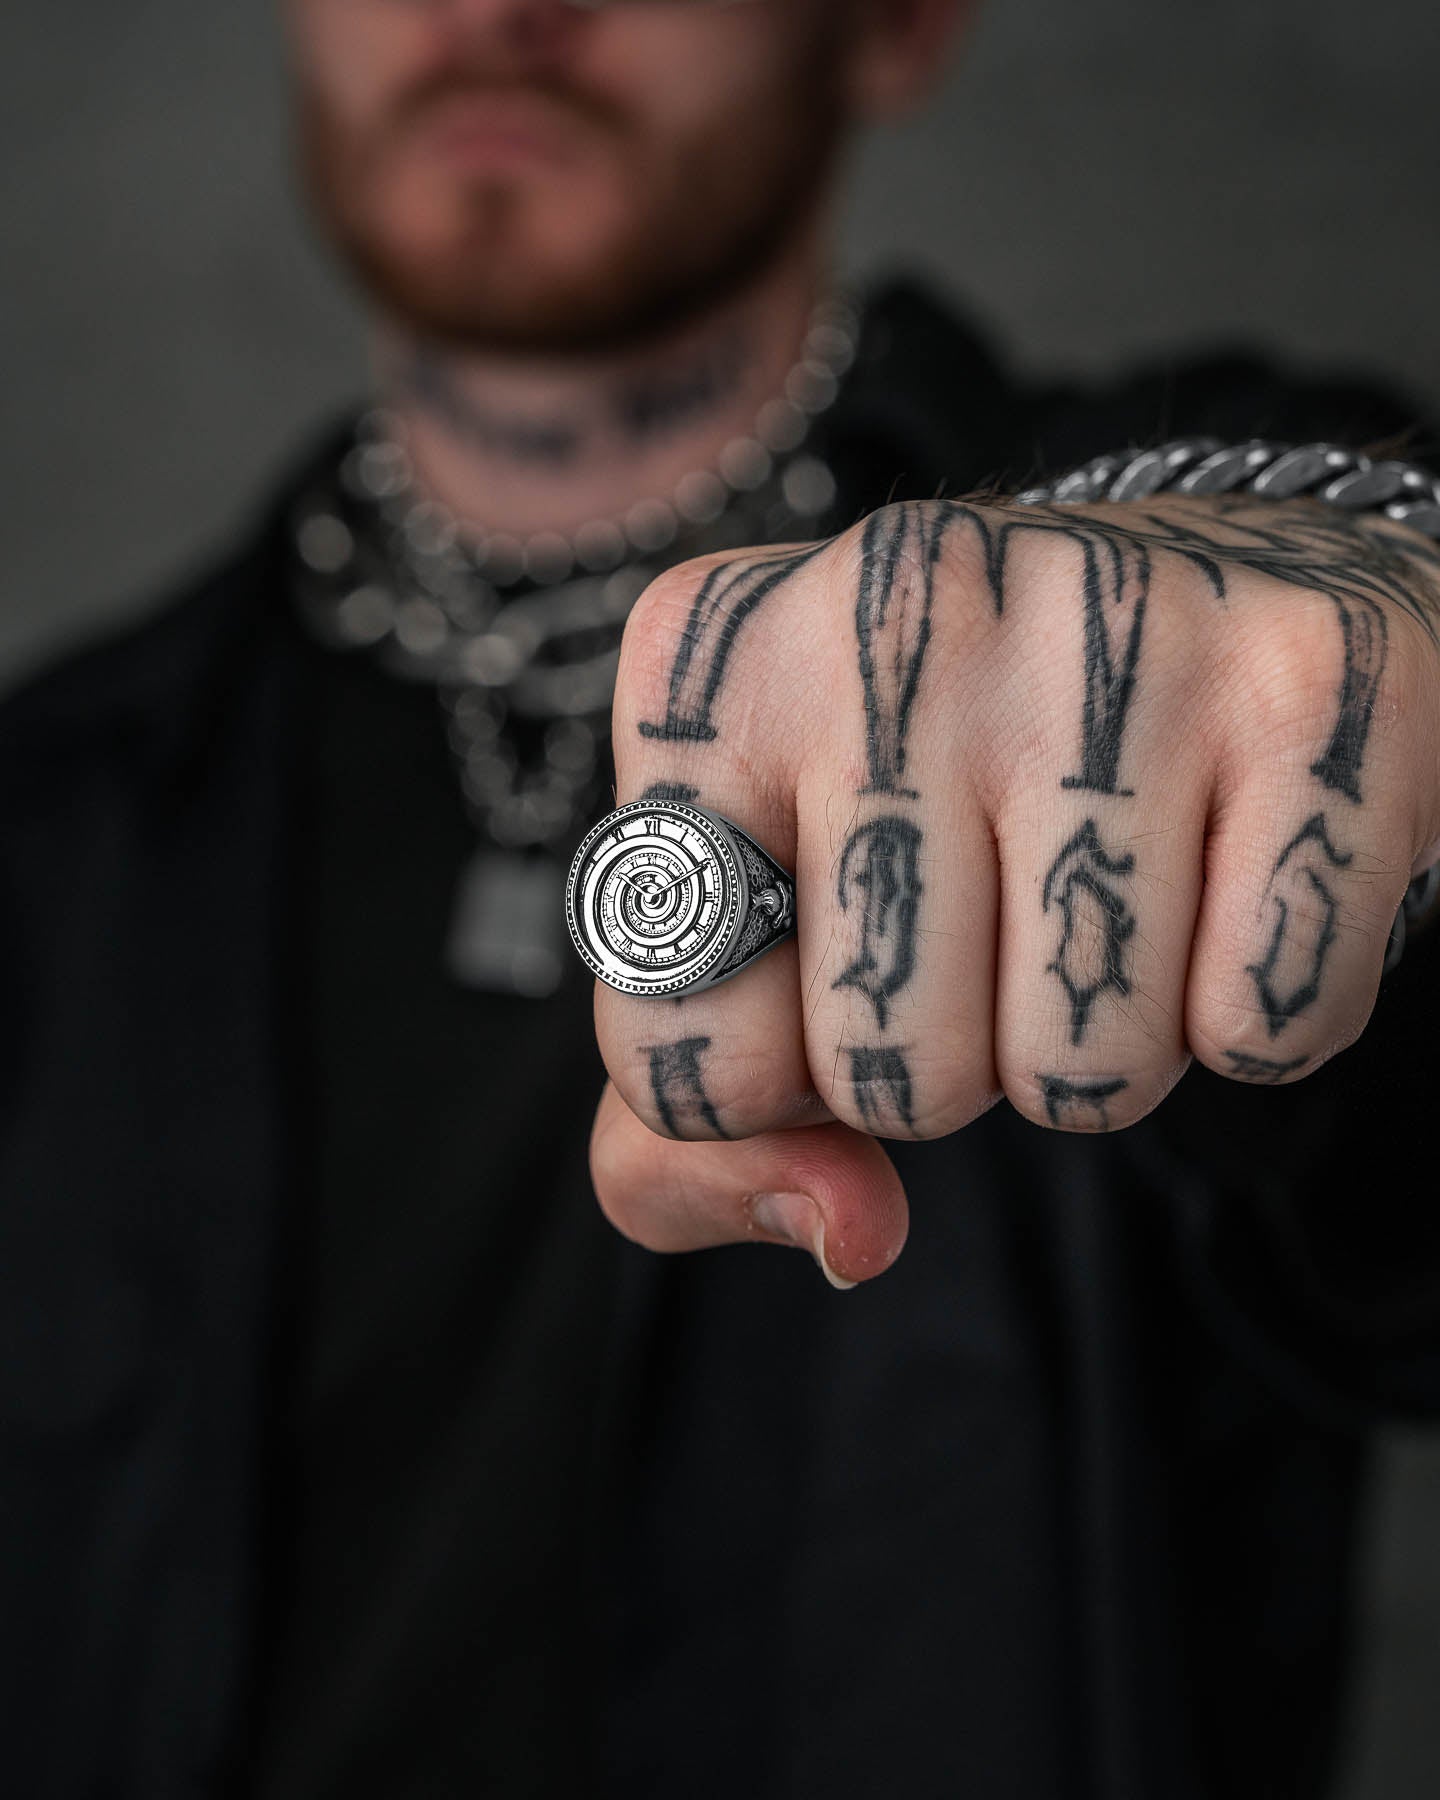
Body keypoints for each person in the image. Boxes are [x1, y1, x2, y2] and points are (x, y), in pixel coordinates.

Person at [3, 1, 1439, 1795]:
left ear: (895, 30)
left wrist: (1350, 612)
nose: (497, 8)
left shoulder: (1178, 577)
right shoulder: (59, 815)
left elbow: (1367, 573)